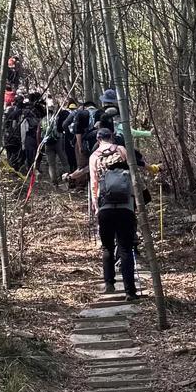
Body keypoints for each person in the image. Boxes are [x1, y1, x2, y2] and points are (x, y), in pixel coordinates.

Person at [69, 119, 146, 300]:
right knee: (126, 248)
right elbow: (133, 176)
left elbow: (94, 183)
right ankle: (130, 292)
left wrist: (96, 206)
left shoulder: (94, 156)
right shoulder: (122, 150)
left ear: (97, 139)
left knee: (107, 248)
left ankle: (109, 284)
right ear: (112, 137)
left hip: (105, 207)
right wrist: (136, 200)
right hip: (126, 206)